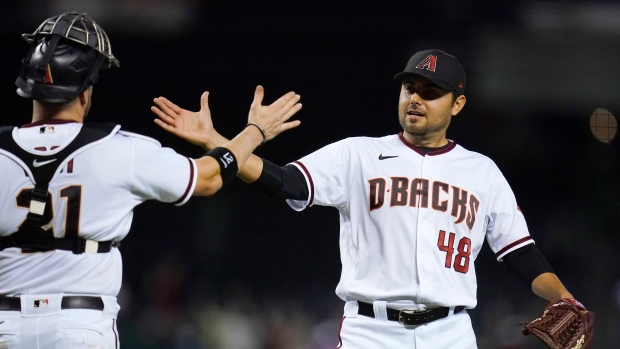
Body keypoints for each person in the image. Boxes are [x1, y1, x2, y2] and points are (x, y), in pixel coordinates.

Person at [151, 49, 591, 348]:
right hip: (371, 332)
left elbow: (521, 254)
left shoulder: (482, 172)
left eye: (430, 91)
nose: (415, 98)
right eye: (409, 88)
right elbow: (286, 182)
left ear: (457, 104)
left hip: (452, 333)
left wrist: (566, 299)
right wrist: (220, 143)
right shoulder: (358, 152)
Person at [0, 11, 301, 348]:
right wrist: (255, 131)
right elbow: (211, 178)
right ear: (85, 91)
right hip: (80, 327)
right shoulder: (118, 150)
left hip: (6, 327)